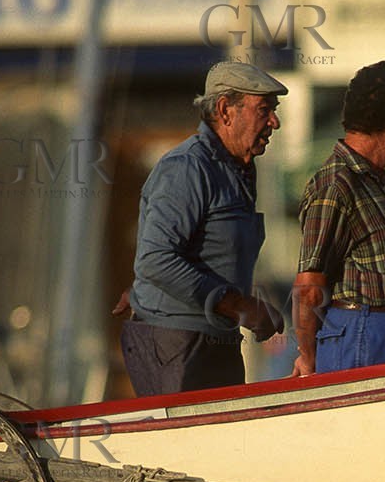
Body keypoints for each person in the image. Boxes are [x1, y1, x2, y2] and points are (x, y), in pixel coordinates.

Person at [120, 61, 286, 396]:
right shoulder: (186, 168)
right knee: (185, 445)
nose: (275, 122)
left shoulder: (236, 170)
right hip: (179, 344)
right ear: (225, 111)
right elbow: (155, 260)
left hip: (212, 341)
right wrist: (240, 306)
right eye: (264, 110)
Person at [292, 61, 385, 376]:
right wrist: (307, 357)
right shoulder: (336, 184)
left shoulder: (378, 181)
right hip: (368, 340)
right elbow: (309, 286)